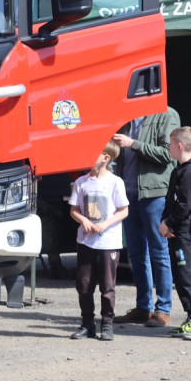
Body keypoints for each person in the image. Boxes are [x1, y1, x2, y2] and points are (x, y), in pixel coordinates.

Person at [112, 107, 180, 328]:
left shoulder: (167, 114)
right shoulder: (125, 115)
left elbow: (168, 154)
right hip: (128, 193)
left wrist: (133, 144)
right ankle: (143, 308)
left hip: (154, 194)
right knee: (136, 254)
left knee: (159, 251)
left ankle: (163, 310)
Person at [68, 141, 128, 341]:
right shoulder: (81, 182)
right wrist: (83, 219)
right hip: (86, 242)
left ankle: (107, 323)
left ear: (106, 158)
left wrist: (106, 223)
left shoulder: (115, 182)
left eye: (92, 153)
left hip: (108, 242)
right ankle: (87, 324)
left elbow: (124, 210)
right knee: (84, 284)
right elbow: (74, 209)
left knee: (107, 285)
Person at [158, 127, 191, 340]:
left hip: (186, 232)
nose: (168, 148)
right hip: (176, 230)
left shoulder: (190, 171)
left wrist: (169, 223)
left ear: (179, 145)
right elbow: (171, 200)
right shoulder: (178, 170)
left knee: (188, 276)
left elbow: (187, 205)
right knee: (180, 277)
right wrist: (166, 223)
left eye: (170, 144)